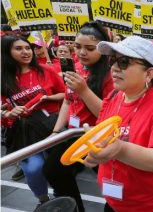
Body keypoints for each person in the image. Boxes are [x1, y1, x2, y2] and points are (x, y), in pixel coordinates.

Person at [83, 35, 153, 211]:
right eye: (112, 60)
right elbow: (104, 131)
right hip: (116, 201)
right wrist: (95, 144)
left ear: (149, 73)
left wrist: (121, 149)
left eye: (124, 62)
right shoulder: (115, 96)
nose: (114, 68)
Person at [43, 21, 114, 212]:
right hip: (73, 134)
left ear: (102, 48)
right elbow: (67, 101)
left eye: (90, 48)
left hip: (98, 138)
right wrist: (56, 131)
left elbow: (109, 114)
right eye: (78, 46)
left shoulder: (112, 75)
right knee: (53, 170)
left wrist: (84, 90)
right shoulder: (75, 68)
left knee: (112, 183)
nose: (82, 52)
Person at [1, 35, 65, 207]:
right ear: (6, 53)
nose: (25, 52)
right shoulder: (3, 79)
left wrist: (46, 98)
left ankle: (62, 193)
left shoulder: (46, 70)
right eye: (19, 49)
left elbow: (65, 94)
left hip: (51, 125)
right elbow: (2, 109)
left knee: (57, 167)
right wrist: (8, 113)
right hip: (23, 131)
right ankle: (43, 201)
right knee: (33, 168)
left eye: (27, 48)